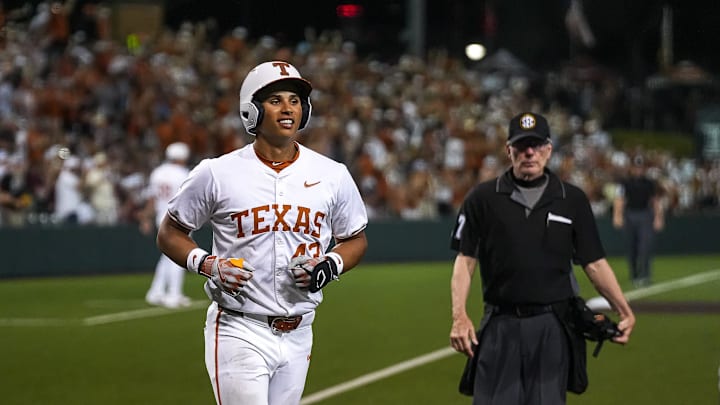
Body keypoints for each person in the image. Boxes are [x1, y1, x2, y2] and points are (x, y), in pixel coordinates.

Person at [156, 60, 368, 405]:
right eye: (275, 100)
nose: (288, 108)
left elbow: (354, 238)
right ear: (251, 111)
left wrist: (329, 265)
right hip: (240, 327)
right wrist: (208, 265)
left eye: (295, 100)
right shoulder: (216, 173)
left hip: (300, 329)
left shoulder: (333, 174)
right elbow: (170, 232)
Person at [449, 112, 636, 404]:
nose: (529, 152)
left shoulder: (571, 199)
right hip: (501, 323)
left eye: (536, 145)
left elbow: (594, 263)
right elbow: (465, 260)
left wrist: (623, 309)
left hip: (553, 325)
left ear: (549, 150)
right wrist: (459, 316)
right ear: (509, 150)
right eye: (522, 146)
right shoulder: (482, 199)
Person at [142, 142, 192, 308]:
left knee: (168, 256)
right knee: (180, 255)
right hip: (179, 219)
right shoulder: (184, 173)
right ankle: (173, 294)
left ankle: (155, 292)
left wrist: (145, 218)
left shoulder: (157, 172)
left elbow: (151, 198)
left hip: (161, 217)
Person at [612, 154, 664, 287]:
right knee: (631, 247)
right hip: (630, 214)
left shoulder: (649, 183)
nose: (638, 170)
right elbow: (620, 200)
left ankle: (645, 275)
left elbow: (655, 201)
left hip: (645, 214)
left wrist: (658, 217)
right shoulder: (625, 183)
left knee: (645, 246)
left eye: (640, 167)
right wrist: (617, 216)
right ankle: (634, 274)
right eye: (636, 167)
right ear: (632, 168)